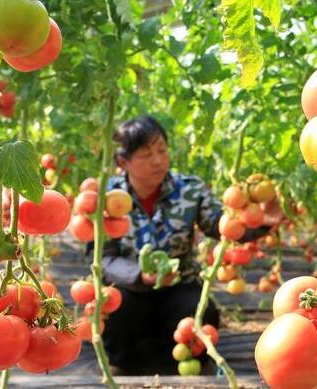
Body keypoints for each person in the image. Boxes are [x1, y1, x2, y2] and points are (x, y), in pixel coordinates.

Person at [98, 115, 278, 374]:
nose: (158, 160)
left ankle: (166, 357)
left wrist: (261, 221)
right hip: (130, 287)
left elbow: (222, 225)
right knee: (118, 313)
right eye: (146, 154)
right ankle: (130, 361)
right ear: (122, 161)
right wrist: (140, 275)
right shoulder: (108, 197)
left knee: (201, 314)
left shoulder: (189, 189)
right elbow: (104, 258)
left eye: (161, 150)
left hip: (179, 285)